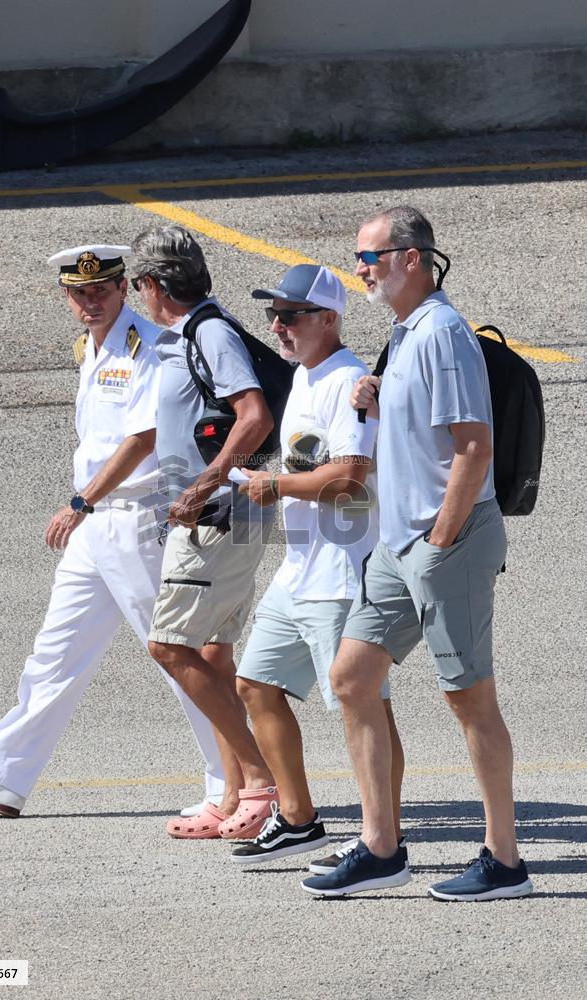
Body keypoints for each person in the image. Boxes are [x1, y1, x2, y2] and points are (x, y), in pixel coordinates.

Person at [0, 244, 223, 817]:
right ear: (66, 296)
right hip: (97, 528)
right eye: (78, 293)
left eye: (100, 291)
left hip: (135, 519)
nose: (90, 302)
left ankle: (229, 780)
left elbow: (142, 438)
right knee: (55, 652)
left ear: (121, 289)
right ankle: (5, 775)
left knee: (176, 655)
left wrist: (79, 501)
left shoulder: (146, 347)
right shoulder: (89, 348)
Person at [302, 206, 533, 900]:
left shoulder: (443, 334)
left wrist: (439, 542)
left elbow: (473, 447)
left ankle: (505, 861)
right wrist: (379, 392)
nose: (361, 270)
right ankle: (381, 848)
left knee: (469, 700)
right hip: (397, 546)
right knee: (351, 678)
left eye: (369, 257)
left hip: (445, 541)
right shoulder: (405, 337)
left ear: (411, 258)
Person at [228, 264, 405, 868]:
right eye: (273, 314)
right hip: (301, 567)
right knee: (254, 685)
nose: (278, 325)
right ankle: (300, 820)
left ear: (329, 318)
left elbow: (351, 479)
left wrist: (276, 485)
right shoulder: (306, 377)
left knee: (363, 704)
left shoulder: (347, 381)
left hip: (342, 572)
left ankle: (385, 834)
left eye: (292, 314)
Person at [130, 225, 278, 841]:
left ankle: (262, 783)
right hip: (215, 513)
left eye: (138, 283)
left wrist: (204, 485)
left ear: (155, 284)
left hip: (216, 515)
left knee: (168, 646)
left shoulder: (209, 334)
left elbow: (254, 414)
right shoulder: (192, 333)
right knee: (213, 655)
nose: (138, 293)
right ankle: (232, 794)